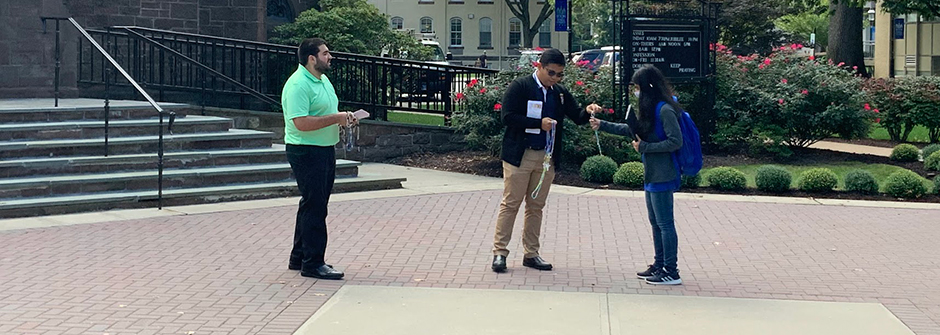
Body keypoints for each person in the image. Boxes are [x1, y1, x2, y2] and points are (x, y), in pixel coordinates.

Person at [491, 48, 600, 272]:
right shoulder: (521, 87)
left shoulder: (558, 93)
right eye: (551, 73)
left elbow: (576, 116)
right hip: (520, 155)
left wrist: (588, 111)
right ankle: (500, 253)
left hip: (546, 157)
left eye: (560, 74)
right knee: (511, 204)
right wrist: (537, 123)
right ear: (539, 66)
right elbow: (508, 117)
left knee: (536, 206)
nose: (555, 78)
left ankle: (531, 253)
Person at [590, 64, 683, 285]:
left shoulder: (665, 110)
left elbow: (675, 141)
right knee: (656, 222)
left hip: (663, 173)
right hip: (651, 174)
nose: (635, 91)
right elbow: (632, 130)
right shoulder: (651, 109)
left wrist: (646, 148)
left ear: (648, 87)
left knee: (665, 223)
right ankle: (659, 264)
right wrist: (602, 125)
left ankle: (672, 270)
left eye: (637, 87)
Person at [282, 38, 357, 280]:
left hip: (324, 148)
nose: (330, 57)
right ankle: (313, 263)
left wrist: (344, 119)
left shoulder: (322, 80)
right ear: (311, 58)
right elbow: (301, 123)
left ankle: (299, 257)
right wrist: (336, 118)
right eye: (325, 53)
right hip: (305, 150)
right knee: (316, 206)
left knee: (312, 202)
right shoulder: (297, 85)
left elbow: (325, 113)